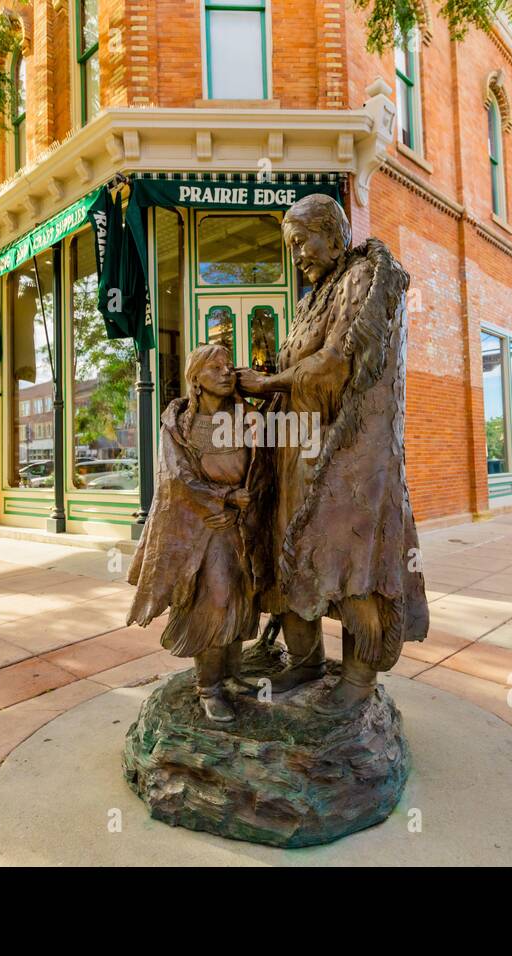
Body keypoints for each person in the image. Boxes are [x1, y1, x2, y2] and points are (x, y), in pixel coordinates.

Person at [237, 194, 429, 715]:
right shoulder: (313, 297)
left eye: (301, 242)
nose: (296, 255)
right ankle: (306, 661)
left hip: (349, 460)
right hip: (297, 455)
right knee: (293, 560)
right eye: (291, 246)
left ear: (333, 231)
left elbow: (335, 366)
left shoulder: (364, 280)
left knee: (349, 567)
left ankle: (358, 681)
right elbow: (302, 368)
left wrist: (267, 382)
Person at [127, 343, 262, 723]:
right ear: (196, 379)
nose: (225, 372)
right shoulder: (178, 423)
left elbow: (267, 464)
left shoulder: (246, 417)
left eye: (228, 366)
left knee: (241, 598)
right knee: (214, 600)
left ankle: (232, 674)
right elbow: (177, 478)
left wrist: (247, 501)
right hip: (204, 526)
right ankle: (210, 687)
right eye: (214, 367)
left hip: (241, 524)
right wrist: (223, 498)